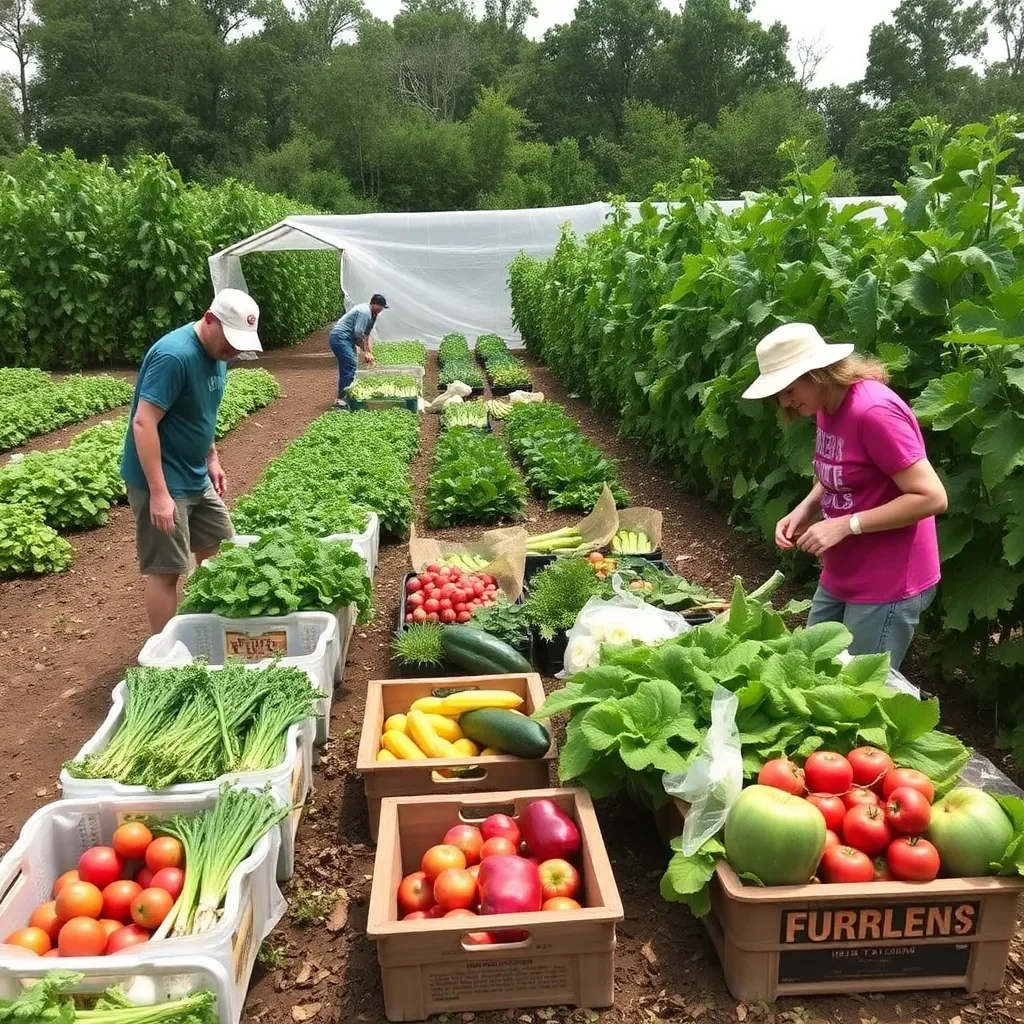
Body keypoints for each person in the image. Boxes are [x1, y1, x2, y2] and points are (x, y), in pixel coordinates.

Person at [742, 322, 947, 668]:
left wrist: (844, 525)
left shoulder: (873, 412)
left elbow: (931, 497)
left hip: (887, 581)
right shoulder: (826, 405)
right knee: (809, 667)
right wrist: (805, 508)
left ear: (818, 373)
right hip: (843, 571)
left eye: (789, 389)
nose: (785, 401)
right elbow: (841, 469)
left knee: (857, 693)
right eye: (779, 394)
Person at [120, 289, 263, 634]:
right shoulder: (175, 355)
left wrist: (211, 457)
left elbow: (201, 414)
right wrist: (159, 493)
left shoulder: (217, 354)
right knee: (167, 569)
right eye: (230, 341)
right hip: (164, 480)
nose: (233, 351)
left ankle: (210, 633)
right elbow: (143, 422)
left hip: (195, 473)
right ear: (209, 319)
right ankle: (165, 653)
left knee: (220, 550)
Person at [329, 293, 387, 408]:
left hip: (346, 339)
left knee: (350, 366)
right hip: (340, 337)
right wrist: (365, 351)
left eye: (382, 307)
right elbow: (358, 332)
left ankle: (349, 396)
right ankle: (342, 400)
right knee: (350, 365)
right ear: (374, 304)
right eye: (380, 306)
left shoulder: (373, 315)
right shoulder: (364, 312)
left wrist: (369, 352)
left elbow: (366, 335)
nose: (381, 310)